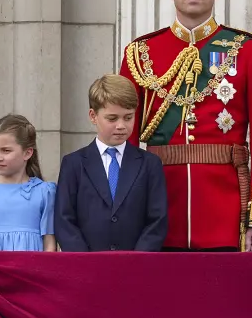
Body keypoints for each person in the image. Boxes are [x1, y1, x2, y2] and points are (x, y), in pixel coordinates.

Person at [119, 0, 252, 251]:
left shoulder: (248, 51)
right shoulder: (141, 54)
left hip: (228, 212)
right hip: (157, 209)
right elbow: (122, 140)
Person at [54, 74, 168, 252]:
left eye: (128, 117)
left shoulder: (149, 164)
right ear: (93, 116)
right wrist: (84, 260)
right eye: (112, 118)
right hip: (87, 266)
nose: (121, 125)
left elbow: (157, 219)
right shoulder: (73, 164)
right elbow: (64, 219)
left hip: (135, 266)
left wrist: (138, 259)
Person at [0, 115, 56, 252]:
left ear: (27, 153)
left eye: (6, 150)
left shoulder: (45, 192)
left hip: (30, 270)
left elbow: (49, 244)